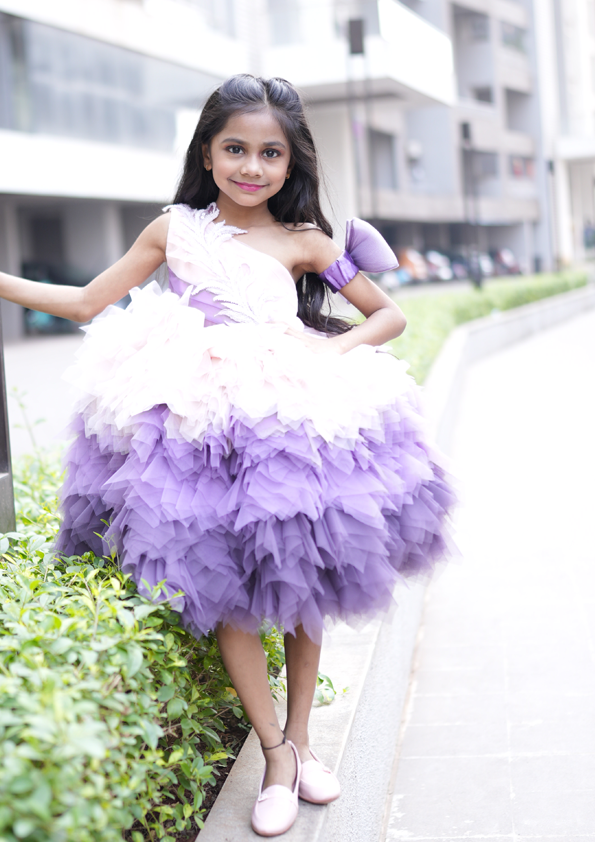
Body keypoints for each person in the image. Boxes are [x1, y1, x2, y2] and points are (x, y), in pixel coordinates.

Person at [0, 75, 455, 837]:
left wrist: (328, 353)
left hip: (289, 408)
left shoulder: (308, 240)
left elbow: (390, 315)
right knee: (227, 587)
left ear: (290, 162)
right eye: (235, 149)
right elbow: (85, 302)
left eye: (269, 153)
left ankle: (303, 743)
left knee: (302, 574)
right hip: (197, 415)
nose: (252, 166)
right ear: (207, 154)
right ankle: (273, 752)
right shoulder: (172, 229)